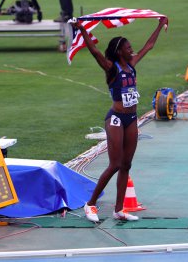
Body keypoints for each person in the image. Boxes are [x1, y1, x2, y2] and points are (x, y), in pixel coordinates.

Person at [72, 17, 168, 222]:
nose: (132, 50)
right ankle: (90, 205)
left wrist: (160, 24)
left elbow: (148, 46)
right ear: (118, 52)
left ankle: (119, 209)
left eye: (131, 47)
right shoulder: (112, 68)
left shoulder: (132, 64)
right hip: (115, 118)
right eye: (127, 48)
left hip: (131, 118)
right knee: (114, 164)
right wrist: (82, 30)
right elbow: (95, 52)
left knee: (126, 165)